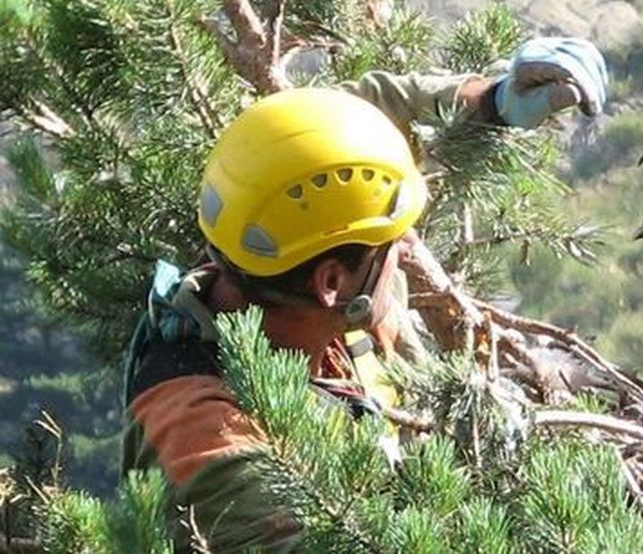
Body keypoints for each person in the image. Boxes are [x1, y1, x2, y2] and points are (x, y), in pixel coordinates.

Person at [120, 38, 608, 550]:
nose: (408, 246)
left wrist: (492, 101)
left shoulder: (269, 248)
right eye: (392, 241)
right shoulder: (206, 434)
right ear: (331, 283)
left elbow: (346, 124)